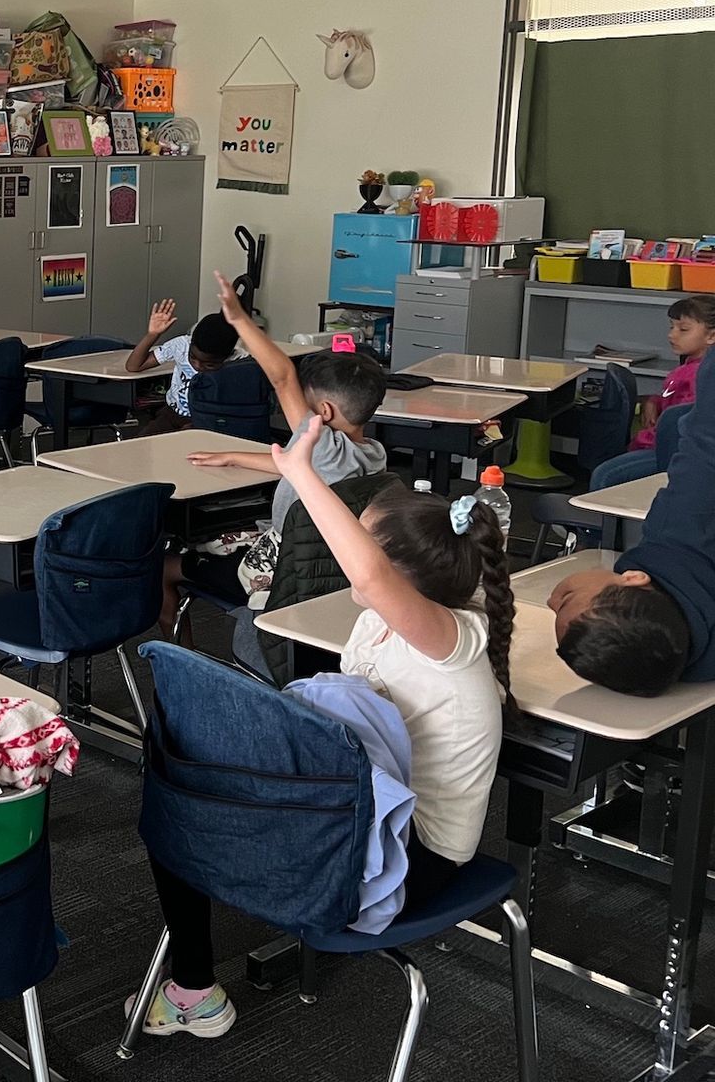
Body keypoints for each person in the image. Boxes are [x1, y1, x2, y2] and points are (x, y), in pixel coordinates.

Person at [131, 420, 512, 1040]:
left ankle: (193, 988)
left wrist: (300, 471)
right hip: (362, 808)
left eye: (362, 542)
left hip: (412, 859)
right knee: (181, 799)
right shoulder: (378, 624)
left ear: (397, 574)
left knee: (188, 821)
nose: (345, 553)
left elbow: (369, 579)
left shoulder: (451, 640)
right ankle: (195, 989)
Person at [168, 272, 389, 641]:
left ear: (326, 413)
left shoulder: (323, 443)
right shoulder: (372, 456)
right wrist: (234, 457)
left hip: (280, 568)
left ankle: (179, 661)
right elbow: (299, 469)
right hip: (324, 565)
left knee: (167, 564)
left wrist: (239, 319)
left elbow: (283, 376)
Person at [548, 343, 715, 696]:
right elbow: (707, 442)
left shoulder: (684, 645)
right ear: (635, 579)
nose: (552, 601)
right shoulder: (683, 528)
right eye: (565, 600)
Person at [589, 294, 715, 491]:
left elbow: (682, 423)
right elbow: (674, 402)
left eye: (683, 329)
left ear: (712, 336)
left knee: (605, 475)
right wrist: (653, 401)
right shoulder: (688, 368)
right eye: (671, 327)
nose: (672, 335)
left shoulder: (702, 375)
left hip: (670, 453)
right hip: (659, 446)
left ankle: (594, 522)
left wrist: (644, 441)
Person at [125, 301, 239, 435]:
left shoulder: (236, 363)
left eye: (208, 365)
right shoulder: (181, 345)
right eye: (192, 357)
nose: (197, 366)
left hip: (208, 420)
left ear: (227, 356)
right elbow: (133, 366)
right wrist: (153, 335)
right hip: (171, 414)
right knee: (142, 445)